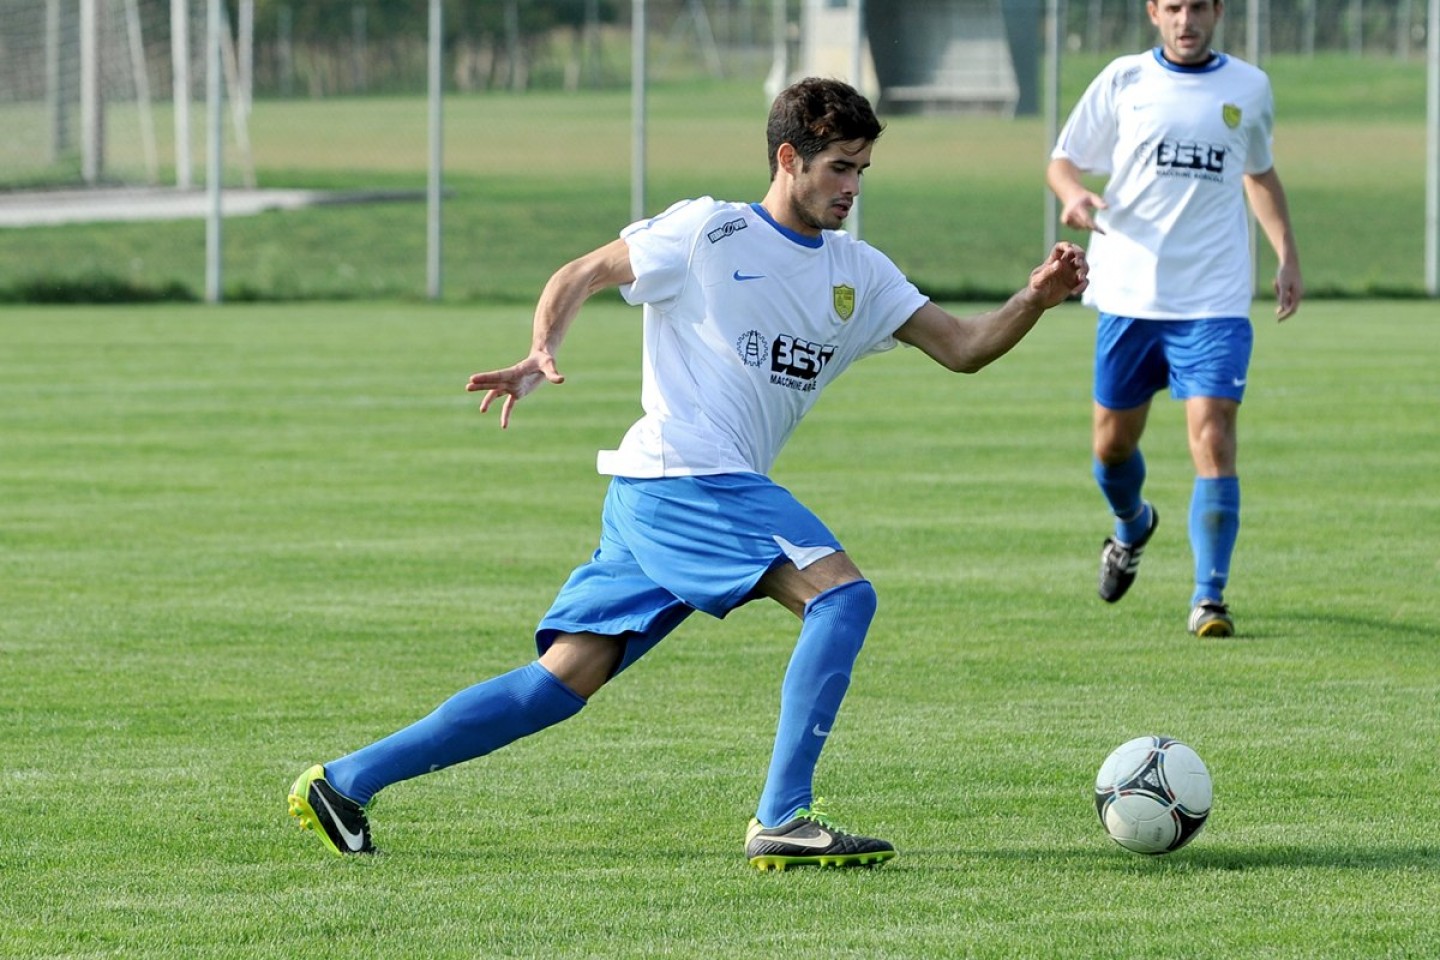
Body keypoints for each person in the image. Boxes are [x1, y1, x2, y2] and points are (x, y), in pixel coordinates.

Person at [288, 76, 1088, 870]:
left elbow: (964, 346)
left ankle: (346, 782)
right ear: (788, 158)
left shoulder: (861, 274)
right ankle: (782, 817)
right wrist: (542, 348)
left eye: (861, 171)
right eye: (839, 167)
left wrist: (1035, 298)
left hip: (660, 493)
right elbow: (585, 272)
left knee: (560, 681)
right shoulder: (709, 233)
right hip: (688, 476)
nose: (851, 187)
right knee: (842, 597)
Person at [1045, 0, 1302, 638]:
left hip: (1214, 297)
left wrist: (1287, 254)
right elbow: (1063, 158)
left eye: (1198, 7)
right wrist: (1074, 194)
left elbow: (1259, 172)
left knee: (1213, 436)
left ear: (1217, 12)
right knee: (1111, 448)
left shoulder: (1249, 86)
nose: (1187, 19)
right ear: (1155, 13)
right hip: (1129, 292)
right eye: (1174, 7)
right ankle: (1133, 525)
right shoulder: (1126, 79)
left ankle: (1209, 599)